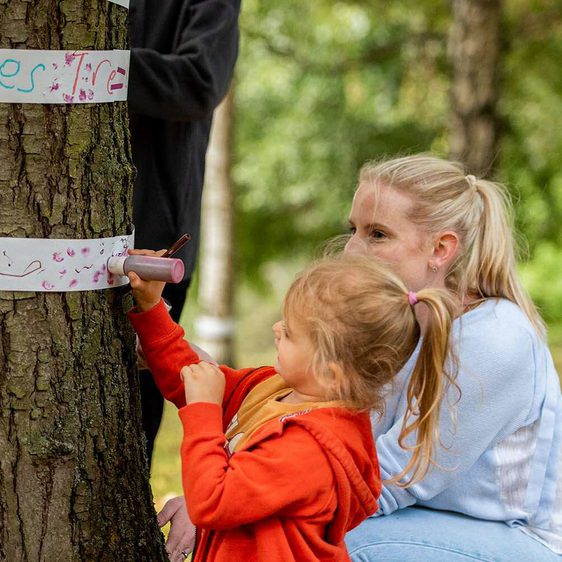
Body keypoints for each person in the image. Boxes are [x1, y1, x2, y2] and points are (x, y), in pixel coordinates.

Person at [158, 154, 562, 560]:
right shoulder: (387, 322)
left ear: (441, 248)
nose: (352, 249)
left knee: (333, 547)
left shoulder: (495, 340)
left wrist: (226, 500)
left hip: (512, 538)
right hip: (413, 517)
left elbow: (388, 479)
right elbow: (299, 412)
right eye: (354, 229)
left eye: (378, 234)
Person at [126, 250, 459, 561]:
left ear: (331, 372)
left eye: (290, 332)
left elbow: (212, 502)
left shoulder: (313, 451)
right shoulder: (277, 389)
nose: (276, 328)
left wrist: (204, 415)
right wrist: (152, 308)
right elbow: (193, 378)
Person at [127, 0, 241, 465]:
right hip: (47, 237)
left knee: (132, 413)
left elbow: (198, 82)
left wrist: (95, 66)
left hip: (154, 240)